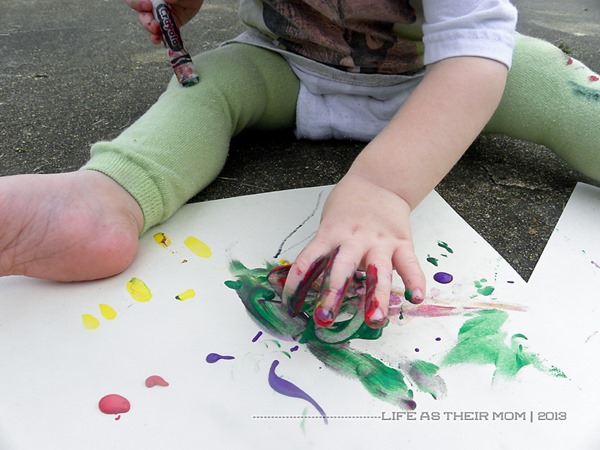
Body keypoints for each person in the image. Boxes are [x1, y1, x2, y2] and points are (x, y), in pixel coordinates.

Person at [0, 0, 598, 329]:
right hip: (287, 67)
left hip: (447, 81)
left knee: (557, 84)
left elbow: (476, 46)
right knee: (206, 87)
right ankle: (105, 197)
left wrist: (380, 188)